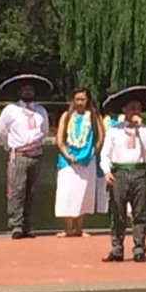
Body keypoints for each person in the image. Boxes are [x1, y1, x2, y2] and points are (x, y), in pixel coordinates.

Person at [99, 86, 146, 263]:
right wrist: (106, 170)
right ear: (124, 110)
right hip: (120, 172)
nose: (135, 111)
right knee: (118, 211)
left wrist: (139, 129)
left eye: (138, 108)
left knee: (140, 212)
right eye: (132, 108)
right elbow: (105, 154)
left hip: (139, 171)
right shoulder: (114, 130)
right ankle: (117, 248)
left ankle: (139, 247)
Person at [0, 74, 52, 240]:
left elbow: (45, 131)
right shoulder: (11, 110)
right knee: (17, 190)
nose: (28, 91)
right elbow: (1, 131)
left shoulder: (40, 111)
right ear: (19, 91)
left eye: (30, 89)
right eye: (25, 89)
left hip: (36, 154)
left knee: (32, 191)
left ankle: (28, 225)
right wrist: (10, 147)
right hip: (19, 154)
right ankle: (16, 224)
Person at [55, 87, 105, 237]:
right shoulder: (67, 115)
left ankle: (79, 228)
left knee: (83, 192)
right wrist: (67, 154)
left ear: (88, 100)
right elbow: (59, 138)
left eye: (82, 99)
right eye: (77, 99)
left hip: (87, 159)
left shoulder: (94, 116)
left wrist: (92, 153)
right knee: (67, 191)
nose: (79, 102)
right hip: (67, 160)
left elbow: (101, 137)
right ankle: (68, 228)